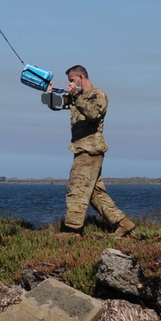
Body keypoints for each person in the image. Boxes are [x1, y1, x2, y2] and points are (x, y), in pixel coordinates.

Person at [48, 65, 135, 236]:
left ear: (81, 78)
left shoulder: (98, 95)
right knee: (95, 194)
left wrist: (75, 96)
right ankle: (123, 223)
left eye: (72, 80)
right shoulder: (77, 96)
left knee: (77, 188)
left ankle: (72, 230)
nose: (70, 84)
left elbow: (94, 113)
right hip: (82, 149)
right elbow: (56, 105)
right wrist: (49, 92)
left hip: (90, 151)